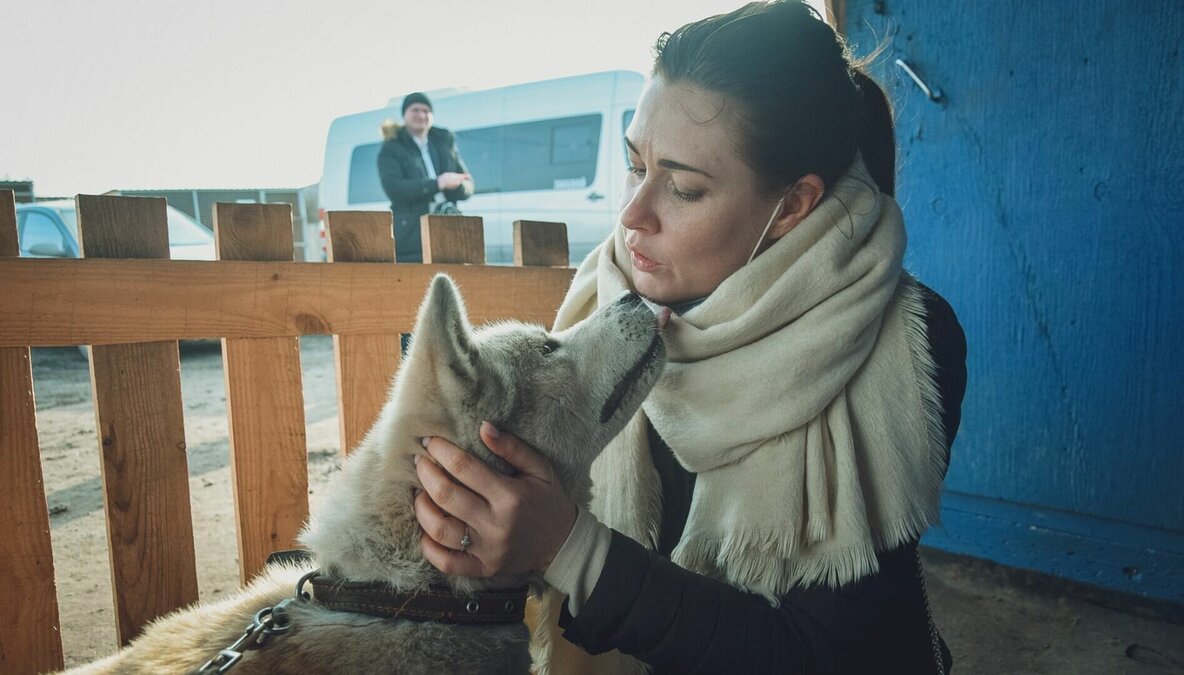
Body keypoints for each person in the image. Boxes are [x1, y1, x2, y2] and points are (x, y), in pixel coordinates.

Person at [412, 2, 967, 673]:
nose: (631, 215)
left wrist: (570, 549)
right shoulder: (603, 302)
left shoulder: (905, 339)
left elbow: (813, 651)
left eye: (683, 188)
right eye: (635, 164)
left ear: (792, 205)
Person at [377, 92, 474, 262]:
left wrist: (457, 185)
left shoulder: (444, 142)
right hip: (412, 238)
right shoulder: (391, 148)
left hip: (449, 231)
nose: (421, 115)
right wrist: (437, 184)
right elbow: (393, 188)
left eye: (426, 111)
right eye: (415, 110)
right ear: (404, 114)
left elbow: (469, 184)